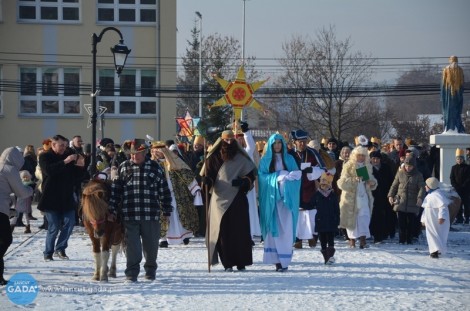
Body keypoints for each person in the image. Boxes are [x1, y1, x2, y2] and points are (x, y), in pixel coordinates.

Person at [109, 139, 172, 282]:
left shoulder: (155, 167)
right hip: (130, 214)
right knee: (132, 247)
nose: (133, 157)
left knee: (151, 247)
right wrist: (112, 209)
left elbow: (164, 191)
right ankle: (131, 273)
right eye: (131, 154)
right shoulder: (124, 167)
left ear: (144, 153)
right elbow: (116, 191)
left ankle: (150, 271)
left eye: (136, 154)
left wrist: (167, 210)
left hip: (150, 214)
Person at [200, 130, 257, 272]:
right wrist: (207, 181)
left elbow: (251, 176)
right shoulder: (212, 158)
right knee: (223, 232)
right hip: (219, 200)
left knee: (240, 231)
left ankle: (241, 262)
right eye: (226, 140)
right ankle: (228, 262)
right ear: (222, 140)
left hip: (237, 198)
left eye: (232, 140)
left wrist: (243, 182)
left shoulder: (241, 157)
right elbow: (208, 176)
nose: (229, 143)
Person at [38, 135, 85, 261]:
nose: (64, 148)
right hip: (50, 197)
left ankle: (60, 249)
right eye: (61, 145)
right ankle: (48, 252)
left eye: (65, 145)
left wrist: (81, 166)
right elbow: (49, 171)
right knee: (54, 226)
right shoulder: (45, 156)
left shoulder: (68, 155)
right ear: (53, 145)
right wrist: (66, 161)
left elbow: (77, 176)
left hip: (66, 196)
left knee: (70, 223)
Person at [258, 134, 301, 272]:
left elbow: (297, 177)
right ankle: (277, 261)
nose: (277, 145)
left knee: (286, 229)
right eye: (274, 143)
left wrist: (290, 177)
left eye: (279, 143)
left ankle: (285, 259)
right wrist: (278, 176)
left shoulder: (289, 159)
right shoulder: (265, 160)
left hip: (287, 202)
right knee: (273, 230)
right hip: (272, 201)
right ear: (270, 145)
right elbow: (262, 178)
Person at [151, 142, 200, 247]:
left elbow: (186, 174)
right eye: (155, 151)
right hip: (159, 196)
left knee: (180, 215)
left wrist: (195, 188)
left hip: (176, 194)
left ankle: (185, 235)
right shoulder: (151, 165)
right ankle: (163, 239)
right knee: (162, 217)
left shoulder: (173, 162)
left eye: (159, 150)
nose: (157, 153)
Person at [0, 147, 34, 285]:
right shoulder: (9, 169)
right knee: (5, 239)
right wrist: (30, 188)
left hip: (3, 207)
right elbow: (22, 192)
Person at [289, 129, 326, 249]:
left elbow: (323, 169)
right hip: (294, 188)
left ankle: (312, 237)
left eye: (304, 141)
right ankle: (297, 239)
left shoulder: (312, 152)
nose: (302, 144)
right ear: (294, 142)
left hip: (309, 188)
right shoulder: (289, 154)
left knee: (310, 215)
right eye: (300, 142)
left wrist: (313, 171)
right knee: (296, 215)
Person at [337, 146, 377, 249]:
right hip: (351, 196)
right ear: (355, 155)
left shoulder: (367, 166)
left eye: (363, 155)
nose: (361, 158)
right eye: (359, 155)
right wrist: (354, 180)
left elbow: (372, 179)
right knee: (352, 218)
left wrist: (371, 182)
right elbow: (341, 182)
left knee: (364, 216)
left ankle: (363, 239)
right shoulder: (348, 166)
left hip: (363, 194)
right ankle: (352, 240)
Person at [387, 156, 425, 245]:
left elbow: (421, 188)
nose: (408, 168)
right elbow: (394, 185)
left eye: (410, 166)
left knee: (410, 223)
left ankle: (409, 239)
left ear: (414, 166)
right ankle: (401, 240)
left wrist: (420, 198)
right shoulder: (400, 173)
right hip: (401, 202)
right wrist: (390, 195)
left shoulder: (418, 175)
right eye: (407, 166)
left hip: (412, 202)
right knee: (401, 223)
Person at [311, 172, 340, 265]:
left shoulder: (333, 195)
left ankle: (330, 256)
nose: (324, 186)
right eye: (322, 184)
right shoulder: (317, 195)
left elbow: (337, 209)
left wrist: (337, 219)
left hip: (331, 221)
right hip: (320, 221)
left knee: (331, 240)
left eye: (326, 184)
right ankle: (326, 258)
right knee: (323, 240)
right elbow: (310, 204)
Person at [421, 177, 450, 258]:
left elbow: (443, 207)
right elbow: (426, 208)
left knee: (439, 234)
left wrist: (442, 217)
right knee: (431, 235)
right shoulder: (429, 195)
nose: (425, 187)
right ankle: (434, 250)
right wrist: (423, 219)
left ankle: (436, 250)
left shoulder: (438, 195)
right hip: (430, 220)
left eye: (426, 185)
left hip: (437, 221)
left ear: (430, 186)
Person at [369, 150, 395, 243]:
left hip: (385, 194)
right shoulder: (366, 168)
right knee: (374, 215)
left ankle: (385, 233)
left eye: (377, 158)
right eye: (373, 158)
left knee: (385, 215)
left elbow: (392, 181)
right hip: (372, 195)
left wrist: (391, 194)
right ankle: (375, 235)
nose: (375, 160)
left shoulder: (386, 167)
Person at [441, 55, 465, 133]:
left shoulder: (460, 70)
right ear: (450, 61)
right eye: (453, 61)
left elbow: (462, 83)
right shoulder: (446, 70)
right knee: (449, 111)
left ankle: (456, 127)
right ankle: (449, 127)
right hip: (448, 94)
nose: (454, 62)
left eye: (455, 61)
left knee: (457, 111)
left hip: (457, 94)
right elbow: (443, 84)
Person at [450, 148, 470, 224]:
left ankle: (467, 217)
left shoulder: (467, 167)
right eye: (458, 159)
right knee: (458, 204)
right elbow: (452, 178)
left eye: (460, 159)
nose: (459, 160)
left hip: (466, 189)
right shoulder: (454, 167)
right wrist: (456, 186)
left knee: (466, 204)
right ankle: (459, 218)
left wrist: (464, 186)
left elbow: (469, 178)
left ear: (463, 159)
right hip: (457, 189)